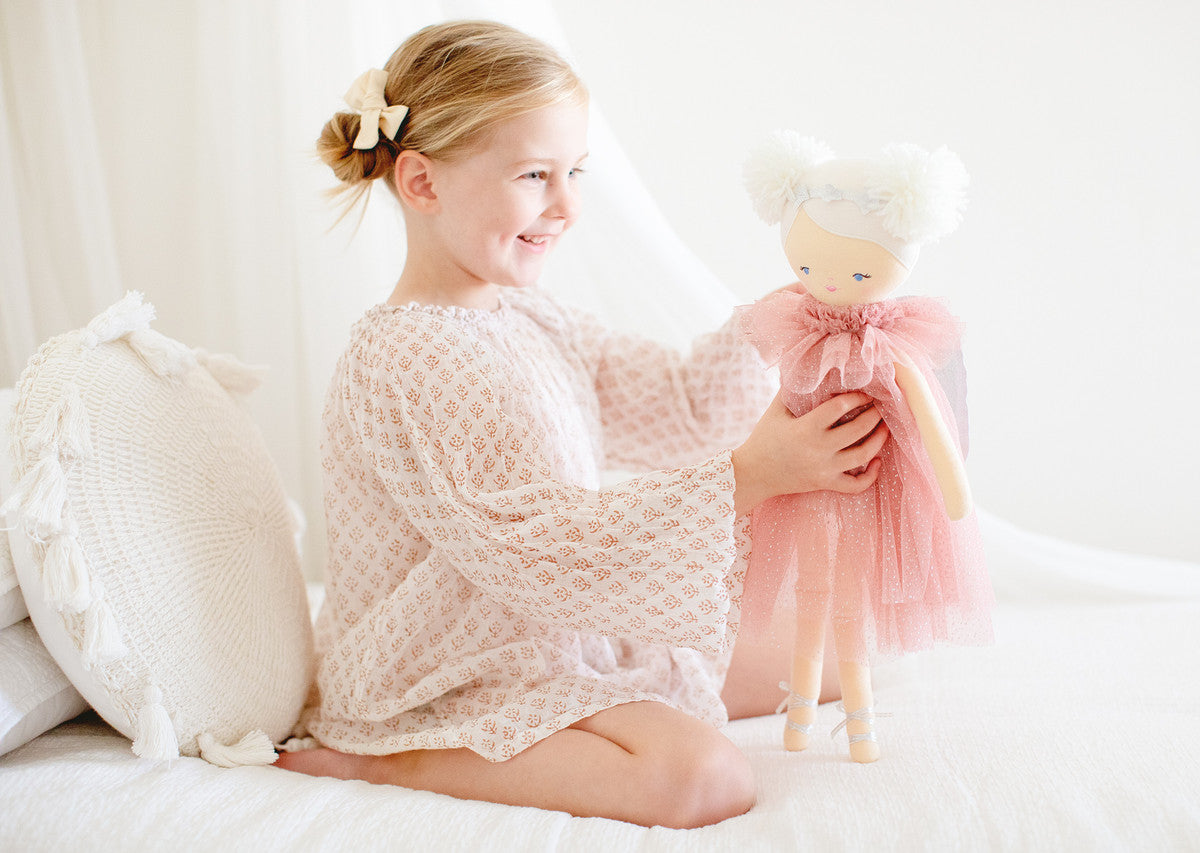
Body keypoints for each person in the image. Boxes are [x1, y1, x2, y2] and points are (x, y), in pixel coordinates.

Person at [276, 19, 888, 829]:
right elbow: (534, 547)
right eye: (535, 175)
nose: (566, 206)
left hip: (549, 626)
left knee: (845, 645)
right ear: (422, 184)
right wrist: (752, 475)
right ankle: (383, 755)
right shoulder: (407, 358)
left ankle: (591, 692)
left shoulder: (530, 315)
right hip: (448, 669)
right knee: (702, 778)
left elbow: (677, 406)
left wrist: (779, 319)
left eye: (575, 172)